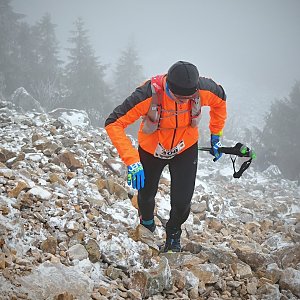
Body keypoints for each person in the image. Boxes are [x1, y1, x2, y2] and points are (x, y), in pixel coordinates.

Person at [105, 61, 227, 252]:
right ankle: (147, 224)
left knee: (182, 200)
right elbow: (113, 123)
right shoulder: (147, 94)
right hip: (151, 150)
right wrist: (132, 161)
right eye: (178, 98)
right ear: (168, 85)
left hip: (185, 148)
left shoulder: (203, 90)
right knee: (146, 195)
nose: (182, 102)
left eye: (188, 98)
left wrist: (216, 134)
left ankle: (173, 234)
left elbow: (220, 100)